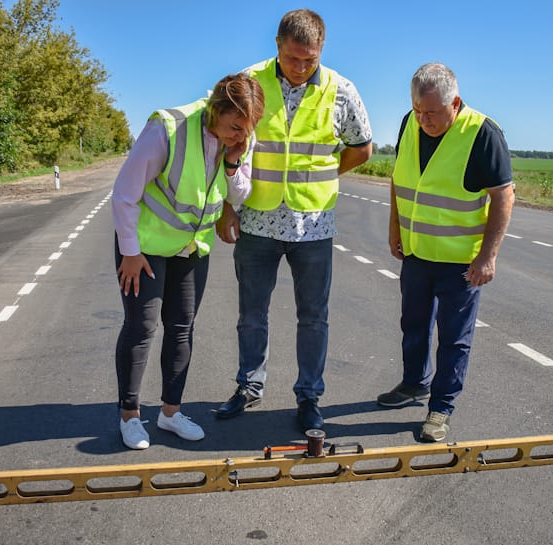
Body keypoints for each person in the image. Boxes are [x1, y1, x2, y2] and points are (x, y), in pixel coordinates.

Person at [214, 8, 372, 431]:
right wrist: (226, 206)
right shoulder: (248, 83)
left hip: (313, 225)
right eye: (292, 58)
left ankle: (309, 397)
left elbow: (361, 147)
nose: (300, 68)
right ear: (277, 46)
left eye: (310, 60)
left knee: (313, 317)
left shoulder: (342, 91)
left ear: (322, 50)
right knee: (251, 314)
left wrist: (325, 174)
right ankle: (249, 386)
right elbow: (226, 143)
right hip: (256, 221)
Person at [112, 74, 265, 450]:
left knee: (181, 328)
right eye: (234, 127)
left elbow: (239, 194)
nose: (240, 136)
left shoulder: (241, 137)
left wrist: (232, 163)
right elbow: (124, 193)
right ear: (216, 109)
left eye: (247, 130)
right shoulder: (167, 129)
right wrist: (130, 252)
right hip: (145, 248)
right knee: (141, 327)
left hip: (192, 248)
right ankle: (130, 416)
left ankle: (170, 413)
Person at [377, 62, 514, 442]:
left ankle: (440, 408)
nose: (424, 121)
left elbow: (503, 196)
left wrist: (488, 256)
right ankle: (413, 384)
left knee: (454, 338)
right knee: (413, 326)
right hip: (417, 253)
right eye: (418, 111)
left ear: (455, 102)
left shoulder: (482, 133)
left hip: (460, 261)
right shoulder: (410, 123)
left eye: (433, 113)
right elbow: (399, 179)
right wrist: (394, 228)